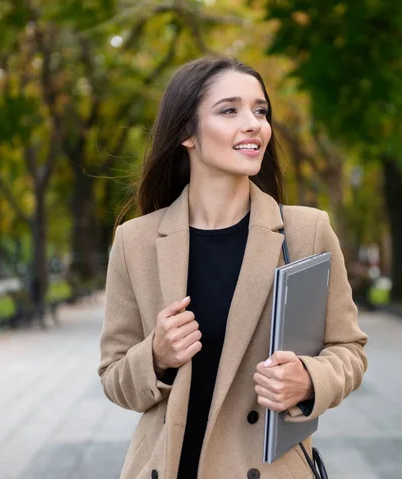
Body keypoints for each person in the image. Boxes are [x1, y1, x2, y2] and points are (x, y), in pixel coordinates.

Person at [98, 57, 368, 479]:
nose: (254, 124)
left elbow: (349, 350)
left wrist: (310, 379)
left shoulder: (307, 230)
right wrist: (156, 356)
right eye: (230, 110)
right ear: (187, 132)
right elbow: (114, 377)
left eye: (260, 111)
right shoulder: (135, 242)